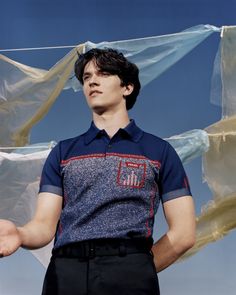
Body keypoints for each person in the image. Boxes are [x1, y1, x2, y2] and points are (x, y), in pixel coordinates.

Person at [0, 48, 195, 295]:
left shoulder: (160, 151)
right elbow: (43, 226)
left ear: (127, 88)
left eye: (103, 73)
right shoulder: (63, 152)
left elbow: (184, 234)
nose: (92, 80)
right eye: (86, 77)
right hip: (66, 273)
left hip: (130, 270)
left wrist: (137, 269)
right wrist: (18, 233)